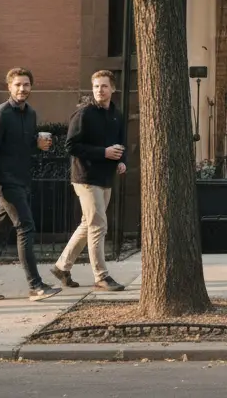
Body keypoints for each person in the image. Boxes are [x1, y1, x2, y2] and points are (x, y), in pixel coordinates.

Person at [0, 67, 62, 302]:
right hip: (5, 182)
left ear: (31, 87)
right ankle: (36, 286)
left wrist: (37, 144)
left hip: (22, 180)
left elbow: (22, 146)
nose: (22, 88)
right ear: (9, 87)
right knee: (26, 227)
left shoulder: (30, 114)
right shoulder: (0, 114)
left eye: (26, 84)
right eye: (18, 84)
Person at [50, 70, 128, 292]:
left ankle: (61, 267)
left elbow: (121, 144)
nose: (99, 90)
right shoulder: (83, 114)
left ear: (112, 88)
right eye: (95, 86)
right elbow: (71, 146)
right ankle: (101, 276)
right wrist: (103, 153)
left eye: (104, 86)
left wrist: (121, 161)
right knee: (98, 225)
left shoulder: (117, 114)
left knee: (88, 224)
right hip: (85, 177)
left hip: (106, 177)